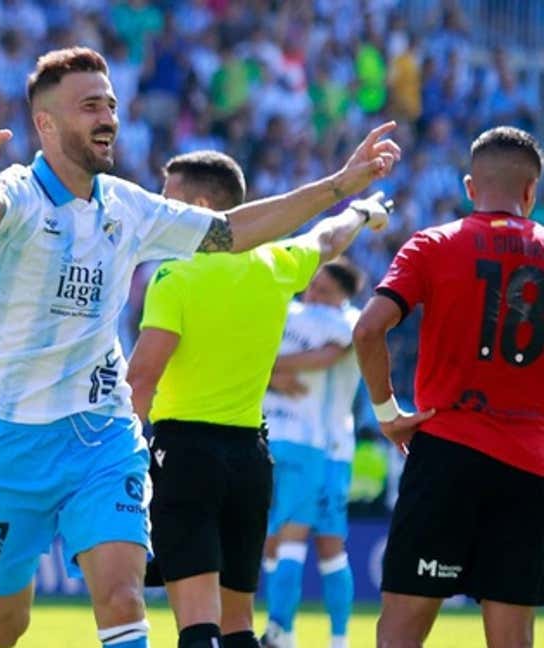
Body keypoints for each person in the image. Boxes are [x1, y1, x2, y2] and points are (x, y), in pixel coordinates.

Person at [0, 46, 398, 648]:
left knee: (122, 597)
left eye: (110, 104)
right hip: (11, 438)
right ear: (45, 123)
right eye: (89, 105)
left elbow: (233, 229)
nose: (107, 116)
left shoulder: (127, 205)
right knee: (3, 625)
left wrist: (340, 186)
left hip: (102, 434)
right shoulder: (17, 194)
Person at [123, 151, 387, 648]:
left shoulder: (174, 276)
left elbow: (141, 380)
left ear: (201, 206)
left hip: (186, 454)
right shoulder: (276, 264)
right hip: (250, 458)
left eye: (168, 198)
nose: (159, 209)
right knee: (239, 623)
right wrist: (363, 210)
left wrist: (122, 461)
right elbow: (327, 238)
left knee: (197, 623)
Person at [354, 125, 544, 648]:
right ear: (531, 192)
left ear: (469, 186)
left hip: (446, 451)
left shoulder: (433, 244)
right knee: (513, 637)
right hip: (530, 463)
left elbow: (368, 329)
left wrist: (388, 411)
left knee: (401, 633)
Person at [260, 261, 365, 648]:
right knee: (275, 539)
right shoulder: (300, 317)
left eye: (322, 290)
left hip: (332, 447)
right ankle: (282, 632)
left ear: (342, 295)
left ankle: (337, 640)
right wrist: (272, 374)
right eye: (311, 287)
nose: (312, 295)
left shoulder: (348, 322)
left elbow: (329, 356)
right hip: (289, 440)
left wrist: (269, 367)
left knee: (328, 545)